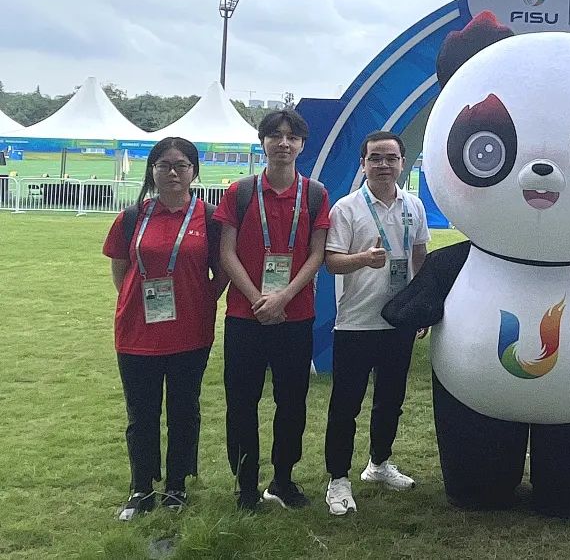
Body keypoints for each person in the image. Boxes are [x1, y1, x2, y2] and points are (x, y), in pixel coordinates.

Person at [214, 109, 330, 512]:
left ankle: (283, 479)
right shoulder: (240, 192)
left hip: (295, 316)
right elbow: (226, 252)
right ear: (262, 141)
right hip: (244, 316)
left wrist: (283, 298)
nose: (284, 143)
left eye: (292, 137)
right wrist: (257, 299)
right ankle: (245, 486)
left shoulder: (315, 193)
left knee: (292, 402)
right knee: (241, 403)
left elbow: (317, 255)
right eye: (275, 136)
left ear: (302, 144)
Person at [103, 137, 225, 521]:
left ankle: (176, 485)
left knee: (184, 410)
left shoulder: (209, 218)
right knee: (141, 413)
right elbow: (121, 271)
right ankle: (141, 487)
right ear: (152, 170)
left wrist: (202, 299)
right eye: (163, 165)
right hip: (136, 333)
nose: (172, 172)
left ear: (194, 171)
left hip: (190, 332)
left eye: (181, 165)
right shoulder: (132, 217)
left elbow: (222, 270)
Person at [323, 131, 430, 516]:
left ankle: (379, 464)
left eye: (390, 158)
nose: (383, 165)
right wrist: (363, 260)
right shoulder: (346, 208)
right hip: (356, 323)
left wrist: (420, 306)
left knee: (390, 401)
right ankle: (338, 479)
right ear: (363, 164)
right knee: (345, 405)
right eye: (375, 158)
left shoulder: (414, 205)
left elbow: (420, 256)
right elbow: (331, 262)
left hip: (398, 322)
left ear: (402, 162)